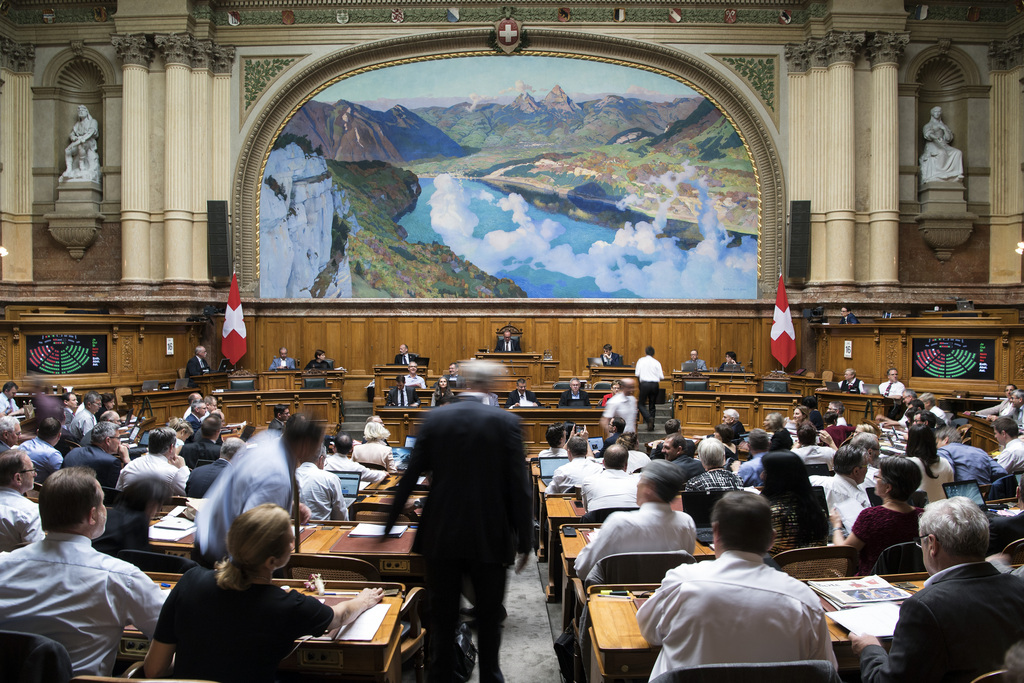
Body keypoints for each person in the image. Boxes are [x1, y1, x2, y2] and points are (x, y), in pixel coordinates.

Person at [384, 359, 531, 683]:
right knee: (489, 619)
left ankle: (441, 675)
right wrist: (525, 541)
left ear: (463, 382)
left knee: (443, 618)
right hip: (490, 535)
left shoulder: (436, 418)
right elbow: (519, 487)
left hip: (441, 534)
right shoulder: (505, 421)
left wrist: (389, 522)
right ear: (491, 387)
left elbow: (410, 476)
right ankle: (490, 674)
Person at [145, 504, 382, 682]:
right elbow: (339, 616)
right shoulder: (288, 605)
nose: (292, 544)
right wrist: (363, 599)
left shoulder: (190, 580)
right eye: (290, 542)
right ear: (272, 561)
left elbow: (154, 669)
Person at [637, 491, 837, 677]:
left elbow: (651, 633)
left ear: (715, 532)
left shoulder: (682, 581)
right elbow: (825, 669)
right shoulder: (804, 599)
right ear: (771, 540)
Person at [0, 467, 166, 676]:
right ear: (92, 515)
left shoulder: (3, 564)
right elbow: (170, 634)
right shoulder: (122, 578)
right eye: (102, 503)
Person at [853, 498, 1024, 682]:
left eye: (921, 542)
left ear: (932, 544)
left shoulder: (924, 607)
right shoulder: (1018, 587)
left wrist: (870, 649)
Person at [195, 414, 321, 563]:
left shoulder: (269, 441)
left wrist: (289, 505)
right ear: (305, 444)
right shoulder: (276, 475)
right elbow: (253, 531)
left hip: (212, 535)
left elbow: (251, 491)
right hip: (226, 555)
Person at [575, 460, 696, 583]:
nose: (637, 485)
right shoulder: (686, 522)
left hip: (617, 599)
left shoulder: (619, 523)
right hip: (669, 598)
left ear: (650, 487)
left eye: (641, 479)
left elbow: (582, 569)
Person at [831, 456, 923, 575]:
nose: (875, 480)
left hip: (872, 583)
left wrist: (836, 526)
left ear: (888, 487)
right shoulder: (923, 516)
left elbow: (843, 553)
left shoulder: (871, 516)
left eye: (877, 477)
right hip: (912, 582)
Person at [761, 451, 829, 555]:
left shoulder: (768, 513)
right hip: (814, 570)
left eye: (765, 472)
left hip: (775, 569)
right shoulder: (819, 511)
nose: (761, 476)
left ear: (774, 477)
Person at [93, 477, 169, 557]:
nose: (156, 512)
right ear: (151, 504)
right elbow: (139, 557)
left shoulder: (108, 512)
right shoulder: (138, 520)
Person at [810, 444, 870, 534]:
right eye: (866, 466)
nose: (867, 470)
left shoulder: (812, 481)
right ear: (856, 471)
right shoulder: (862, 501)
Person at [116, 427, 190, 496]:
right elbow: (190, 492)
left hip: (127, 509)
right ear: (171, 447)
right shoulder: (173, 473)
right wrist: (183, 468)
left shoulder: (130, 465)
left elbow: (118, 492)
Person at [62, 421, 129, 489]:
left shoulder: (74, 451)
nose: (119, 442)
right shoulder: (112, 462)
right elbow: (125, 486)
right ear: (108, 440)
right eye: (118, 438)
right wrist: (126, 459)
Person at [0, 449, 43, 551]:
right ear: (18, 478)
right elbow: (36, 553)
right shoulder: (30, 512)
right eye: (32, 470)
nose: (35, 474)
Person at [937, 425, 1008, 485]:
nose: (935, 447)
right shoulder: (980, 451)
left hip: (960, 496)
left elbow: (946, 473)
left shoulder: (943, 451)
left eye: (937, 443)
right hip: (984, 497)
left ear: (946, 440)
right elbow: (1001, 472)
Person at [581, 444, 639, 513]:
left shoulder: (588, 481)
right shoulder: (639, 483)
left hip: (598, 523)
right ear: (626, 465)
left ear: (603, 463)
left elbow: (586, 510)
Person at [296, 444, 348, 521]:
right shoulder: (330, 478)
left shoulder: (289, 476)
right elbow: (340, 515)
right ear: (321, 459)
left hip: (294, 529)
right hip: (323, 530)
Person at [904, 423, 954, 502]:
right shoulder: (945, 463)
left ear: (910, 442)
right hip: (942, 511)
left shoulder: (909, 464)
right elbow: (951, 492)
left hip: (919, 512)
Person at [918, 105, 964, 184]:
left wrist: (944, 129)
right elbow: (927, 134)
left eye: (939, 112)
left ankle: (956, 174)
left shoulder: (943, 126)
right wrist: (936, 137)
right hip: (932, 144)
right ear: (932, 113)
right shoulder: (929, 125)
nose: (937, 113)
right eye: (936, 112)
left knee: (957, 152)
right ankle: (939, 174)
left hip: (943, 144)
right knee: (941, 152)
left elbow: (948, 138)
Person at [20, 417, 63, 482]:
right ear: (59, 436)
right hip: (42, 490)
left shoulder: (23, 446)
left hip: (22, 488)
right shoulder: (54, 455)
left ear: (37, 432)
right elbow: (61, 480)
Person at [634, 346, 664, 430]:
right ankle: (651, 425)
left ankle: (648, 418)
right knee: (652, 404)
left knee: (640, 404)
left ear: (645, 352)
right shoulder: (657, 362)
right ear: (653, 353)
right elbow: (661, 376)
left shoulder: (641, 361)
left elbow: (637, 374)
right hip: (655, 384)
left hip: (645, 384)